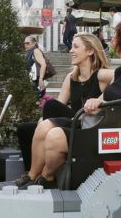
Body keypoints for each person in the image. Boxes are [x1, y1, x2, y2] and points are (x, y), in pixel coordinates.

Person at [19, 20, 121, 188]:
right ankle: (36, 177)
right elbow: (103, 99)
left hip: (113, 135)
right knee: (46, 129)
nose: (111, 39)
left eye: (115, 35)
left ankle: (46, 178)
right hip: (98, 125)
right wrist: (97, 102)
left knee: (55, 136)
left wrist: (102, 104)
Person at [14, 33, 111, 188]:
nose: (71, 50)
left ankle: (40, 175)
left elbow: (120, 78)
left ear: (90, 51)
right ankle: (32, 174)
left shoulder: (100, 75)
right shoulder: (71, 78)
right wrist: (46, 121)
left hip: (88, 125)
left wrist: (100, 99)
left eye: (76, 47)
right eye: (71, 46)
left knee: (50, 106)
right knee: (25, 129)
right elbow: (60, 106)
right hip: (73, 121)